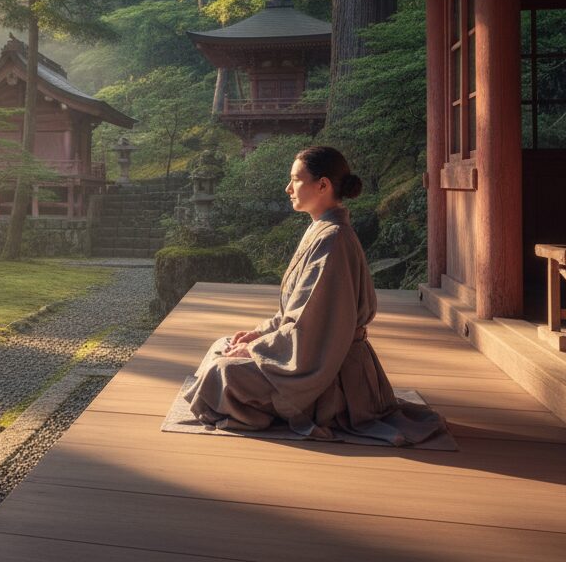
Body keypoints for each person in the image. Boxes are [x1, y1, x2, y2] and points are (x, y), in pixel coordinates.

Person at [182, 145, 445, 445]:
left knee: (223, 372)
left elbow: (309, 331)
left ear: (323, 185)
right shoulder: (321, 230)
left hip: (329, 373)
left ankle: (282, 406)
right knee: (222, 346)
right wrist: (258, 335)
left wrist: (255, 350)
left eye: (295, 180)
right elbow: (294, 313)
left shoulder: (333, 240)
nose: (288, 188)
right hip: (307, 351)